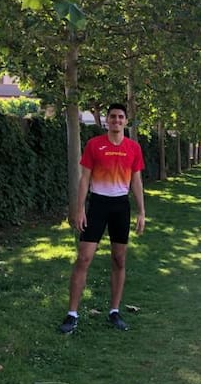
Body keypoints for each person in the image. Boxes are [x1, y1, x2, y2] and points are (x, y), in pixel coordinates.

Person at [58, 103, 146, 334]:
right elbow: (84, 178)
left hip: (120, 206)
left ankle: (114, 311)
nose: (117, 120)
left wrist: (141, 212)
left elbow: (136, 180)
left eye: (120, 117)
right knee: (84, 258)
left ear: (126, 121)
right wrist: (79, 209)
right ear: (107, 120)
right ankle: (72, 314)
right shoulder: (94, 145)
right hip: (97, 205)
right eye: (113, 116)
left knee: (119, 259)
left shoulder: (133, 147)